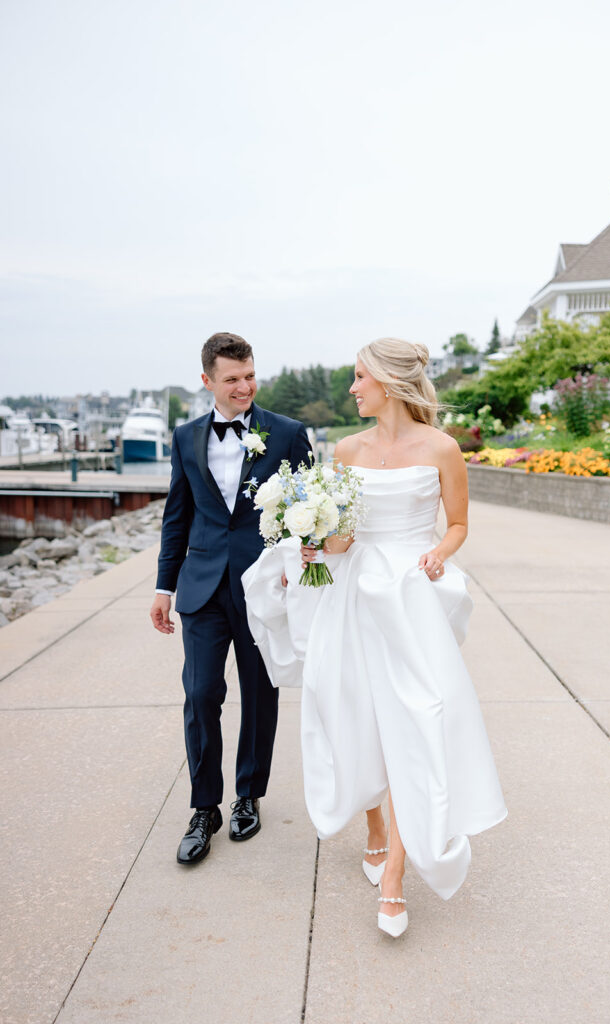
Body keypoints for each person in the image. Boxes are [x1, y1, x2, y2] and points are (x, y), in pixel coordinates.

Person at [242, 337, 507, 937]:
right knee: (353, 714)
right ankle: (375, 828)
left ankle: (395, 877)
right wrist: (314, 541)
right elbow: (343, 533)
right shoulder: (347, 449)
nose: (354, 388)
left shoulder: (442, 448)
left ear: (388, 381)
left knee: (416, 720)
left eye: (361, 377)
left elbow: (459, 523)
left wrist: (440, 552)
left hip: (409, 597)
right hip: (353, 596)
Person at [150, 332, 311, 865]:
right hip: (200, 587)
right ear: (207, 382)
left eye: (249, 377)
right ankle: (204, 808)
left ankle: (249, 796)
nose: (244, 387)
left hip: (262, 586)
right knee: (200, 695)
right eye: (232, 380)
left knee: (260, 695)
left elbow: (309, 510)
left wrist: (301, 573)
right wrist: (163, 586)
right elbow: (178, 515)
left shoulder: (288, 434)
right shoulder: (184, 437)